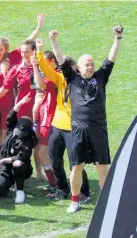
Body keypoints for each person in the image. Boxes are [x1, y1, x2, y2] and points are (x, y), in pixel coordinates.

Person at [49, 25, 122, 213]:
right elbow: (60, 59)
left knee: (103, 167)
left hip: (98, 129)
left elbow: (111, 59)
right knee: (77, 166)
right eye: (86, 65)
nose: (90, 67)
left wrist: (117, 38)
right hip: (79, 130)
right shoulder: (72, 78)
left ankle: (105, 202)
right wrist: (54, 41)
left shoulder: (100, 77)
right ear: (79, 68)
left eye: (91, 64)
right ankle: (75, 200)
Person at [0, 13, 45, 166]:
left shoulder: (11, 59)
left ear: (5, 50)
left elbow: (27, 44)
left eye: (0, 49)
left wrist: (38, 27)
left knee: (11, 135)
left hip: (11, 104)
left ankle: (25, 165)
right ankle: (2, 165)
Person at [35, 39, 91, 201]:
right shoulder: (59, 78)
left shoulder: (82, 82)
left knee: (76, 163)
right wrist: (39, 51)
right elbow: (46, 68)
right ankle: (63, 189)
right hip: (57, 126)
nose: (65, 71)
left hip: (74, 127)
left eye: (69, 68)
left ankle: (84, 192)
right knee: (55, 159)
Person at [0, 94, 38, 203]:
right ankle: (7, 181)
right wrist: (20, 103)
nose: (19, 134)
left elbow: (19, 157)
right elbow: (11, 116)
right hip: (5, 168)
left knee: (17, 163)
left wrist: (2, 160)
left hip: (22, 168)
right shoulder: (12, 128)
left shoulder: (29, 140)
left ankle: (20, 189)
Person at [30, 51, 59, 191]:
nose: (42, 68)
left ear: (52, 61)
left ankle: (57, 183)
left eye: (44, 63)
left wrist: (36, 67)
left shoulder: (56, 75)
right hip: (45, 119)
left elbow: (41, 86)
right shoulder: (48, 74)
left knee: (48, 152)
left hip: (53, 119)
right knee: (44, 152)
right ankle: (55, 182)